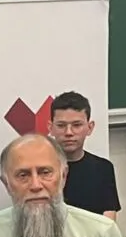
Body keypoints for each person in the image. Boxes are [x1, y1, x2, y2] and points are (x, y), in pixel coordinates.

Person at [49, 91, 121, 220]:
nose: (69, 132)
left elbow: (109, 219)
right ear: (51, 128)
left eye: (76, 125)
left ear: (90, 127)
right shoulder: (39, 169)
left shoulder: (103, 168)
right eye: (61, 125)